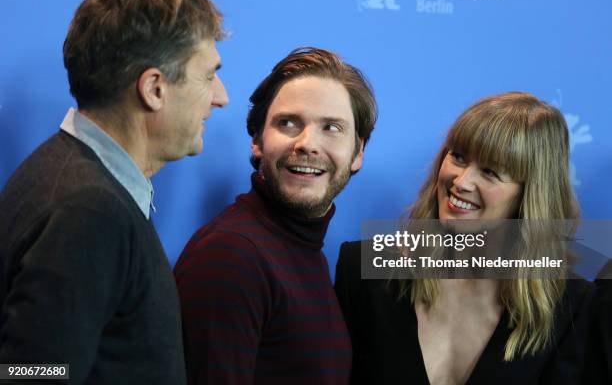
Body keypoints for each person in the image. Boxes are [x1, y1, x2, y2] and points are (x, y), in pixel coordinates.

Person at [0, 0, 228, 383]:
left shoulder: (69, 177)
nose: (221, 96)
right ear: (155, 88)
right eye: (209, 76)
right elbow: (33, 374)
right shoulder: (89, 210)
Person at [335, 92, 594, 384]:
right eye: (457, 156)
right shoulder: (363, 266)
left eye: (490, 172)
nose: (461, 182)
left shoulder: (569, 307)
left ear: (530, 195)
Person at [174, 47, 377, 384]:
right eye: (288, 123)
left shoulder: (306, 251)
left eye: (331, 128)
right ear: (257, 140)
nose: (307, 144)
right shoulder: (231, 255)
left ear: (358, 153)